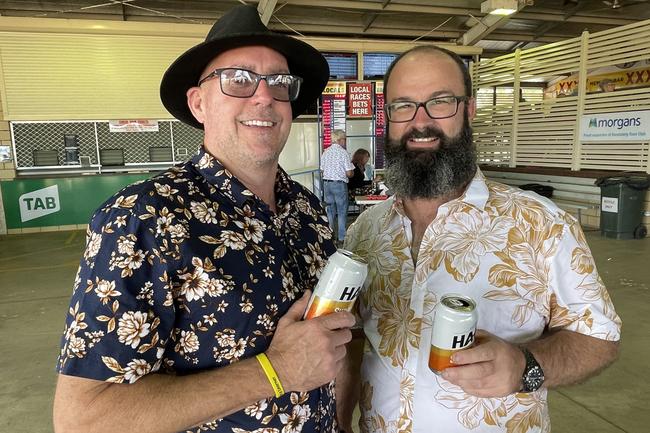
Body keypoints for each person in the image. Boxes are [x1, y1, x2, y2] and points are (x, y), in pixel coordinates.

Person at [52, 5, 356, 433]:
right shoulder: (142, 219)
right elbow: (84, 418)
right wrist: (277, 370)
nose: (264, 96)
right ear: (198, 103)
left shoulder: (306, 210)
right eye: (238, 80)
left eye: (279, 83)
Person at [338, 45, 621, 433]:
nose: (420, 123)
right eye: (403, 105)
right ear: (388, 117)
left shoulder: (541, 224)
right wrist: (340, 419)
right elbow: (350, 337)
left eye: (440, 102)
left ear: (469, 110)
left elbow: (599, 339)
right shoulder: (365, 231)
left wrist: (526, 367)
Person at [321, 129, 354, 244]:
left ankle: (330, 237)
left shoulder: (326, 152)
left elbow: (322, 170)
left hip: (327, 184)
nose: (345, 141)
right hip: (339, 185)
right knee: (341, 211)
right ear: (340, 140)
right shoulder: (343, 153)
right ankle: (341, 237)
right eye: (344, 139)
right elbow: (349, 173)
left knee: (330, 211)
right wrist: (352, 172)